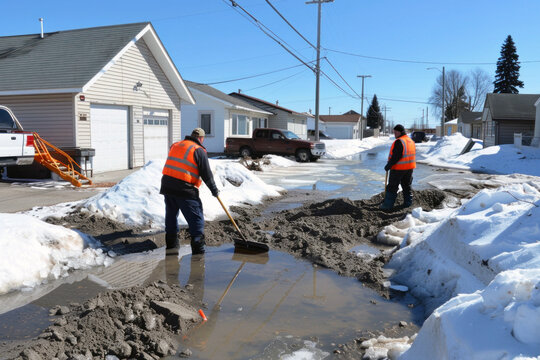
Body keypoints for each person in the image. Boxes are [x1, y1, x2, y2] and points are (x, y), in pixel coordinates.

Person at [160, 128, 219, 255]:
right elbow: (206, 174)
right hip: (184, 188)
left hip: (167, 185)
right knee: (196, 219)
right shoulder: (198, 150)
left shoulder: (175, 145)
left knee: (171, 216)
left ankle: (171, 247)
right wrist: (214, 190)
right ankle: (198, 253)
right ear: (201, 138)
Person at [380, 124, 416, 210]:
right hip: (409, 168)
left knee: (392, 186)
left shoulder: (399, 141)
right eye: (394, 132)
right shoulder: (410, 141)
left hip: (398, 168)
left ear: (400, 132)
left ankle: (387, 206)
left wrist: (388, 165)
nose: (394, 134)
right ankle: (408, 203)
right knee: (406, 185)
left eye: (396, 132)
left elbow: (397, 156)